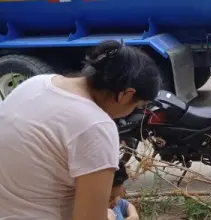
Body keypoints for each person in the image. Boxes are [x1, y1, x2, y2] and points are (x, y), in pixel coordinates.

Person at [0, 40, 161, 220]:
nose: (132, 112)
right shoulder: (95, 126)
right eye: (137, 106)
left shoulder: (36, 83)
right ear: (126, 94)